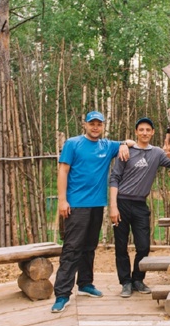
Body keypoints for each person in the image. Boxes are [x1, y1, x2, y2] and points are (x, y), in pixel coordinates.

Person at [51, 111, 133, 313]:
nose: (95, 127)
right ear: (85, 124)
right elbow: (63, 171)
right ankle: (62, 294)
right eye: (92, 123)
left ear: (103, 126)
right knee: (72, 248)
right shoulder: (73, 144)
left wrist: (123, 144)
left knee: (89, 246)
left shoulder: (107, 146)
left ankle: (85, 283)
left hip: (97, 204)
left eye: (99, 124)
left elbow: (130, 142)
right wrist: (62, 200)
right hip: (76, 204)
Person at [109, 117, 170, 298]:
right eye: (141, 129)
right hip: (121, 202)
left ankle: (138, 279)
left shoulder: (156, 153)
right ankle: (125, 282)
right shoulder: (126, 151)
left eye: (148, 130)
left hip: (140, 204)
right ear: (136, 132)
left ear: (152, 132)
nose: (144, 133)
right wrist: (113, 207)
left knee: (143, 246)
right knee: (121, 246)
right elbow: (114, 178)